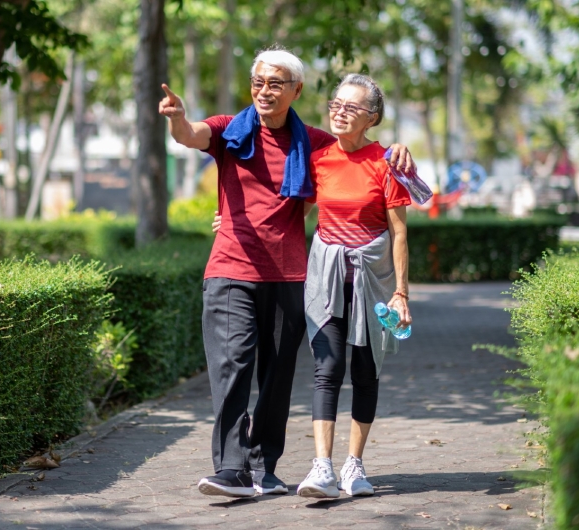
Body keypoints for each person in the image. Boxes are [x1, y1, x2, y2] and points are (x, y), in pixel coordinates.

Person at [158, 48, 414, 498]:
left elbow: (356, 160)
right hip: (231, 268)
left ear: (296, 90)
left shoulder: (313, 142)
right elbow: (191, 135)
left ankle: (264, 469)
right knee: (232, 364)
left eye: (276, 83)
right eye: (258, 81)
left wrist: (397, 149)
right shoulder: (228, 131)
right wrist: (177, 118)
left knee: (277, 376)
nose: (264, 90)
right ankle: (232, 469)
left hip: (292, 275)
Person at [295, 74, 412, 498]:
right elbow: (296, 215)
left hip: (373, 285)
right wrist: (235, 223)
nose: (339, 112)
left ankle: (354, 466)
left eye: (351, 108)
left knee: (365, 372)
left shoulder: (387, 163)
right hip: (325, 279)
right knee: (327, 370)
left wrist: (401, 292)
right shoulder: (320, 159)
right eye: (336, 104)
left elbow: (399, 233)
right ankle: (321, 468)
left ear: (372, 118)